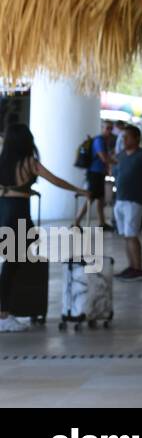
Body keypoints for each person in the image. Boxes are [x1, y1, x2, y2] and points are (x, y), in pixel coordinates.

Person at [0, 124, 89, 332]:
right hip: (19, 212)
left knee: (13, 260)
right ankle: (3, 314)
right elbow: (55, 180)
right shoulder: (29, 163)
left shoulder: (3, 162)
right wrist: (79, 190)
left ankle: (8, 309)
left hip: (4, 211)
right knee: (12, 263)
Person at [111, 125, 142, 281]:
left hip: (135, 200)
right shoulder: (120, 156)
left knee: (132, 235)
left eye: (127, 137)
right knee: (126, 235)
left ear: (136, 138)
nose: (124, 140)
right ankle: (132, 266)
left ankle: (138, 268)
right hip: (120, 199)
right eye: (123, 137)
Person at [74, 120, 115, 230]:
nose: (110, 131)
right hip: (94, 174)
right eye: (107, 128)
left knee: (100, 199)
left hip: (99, 173)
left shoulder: (104, 141)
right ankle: (76, 222)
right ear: (102, 128)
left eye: (111, 128)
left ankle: (102, 222)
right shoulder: (99, 141)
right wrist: (116, 162)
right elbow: (103, 157)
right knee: (91, 198)